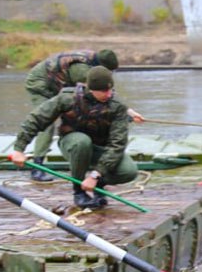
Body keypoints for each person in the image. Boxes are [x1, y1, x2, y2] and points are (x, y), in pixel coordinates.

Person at [10, 67, 136, 210]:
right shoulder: (68, 98)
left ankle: (96, 185)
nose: (108, 94)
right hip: (72, 143)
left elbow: (117, 144)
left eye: (110, 90)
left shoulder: (117, 106)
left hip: (101, 149)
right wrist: (19, 148)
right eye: (103, 91)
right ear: (91, 89)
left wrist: (95, 175)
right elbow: (36, 119)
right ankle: (79, 191)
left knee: (129, 171)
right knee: (82, 142)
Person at [22, 48, 129, 181]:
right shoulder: (82, 71)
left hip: (57, 83)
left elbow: (104, 96)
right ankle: (37, 167)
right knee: (48, 122)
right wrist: (126, 110)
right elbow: (96, 93)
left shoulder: (92, 63)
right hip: (40, 84)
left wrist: (123, 113)